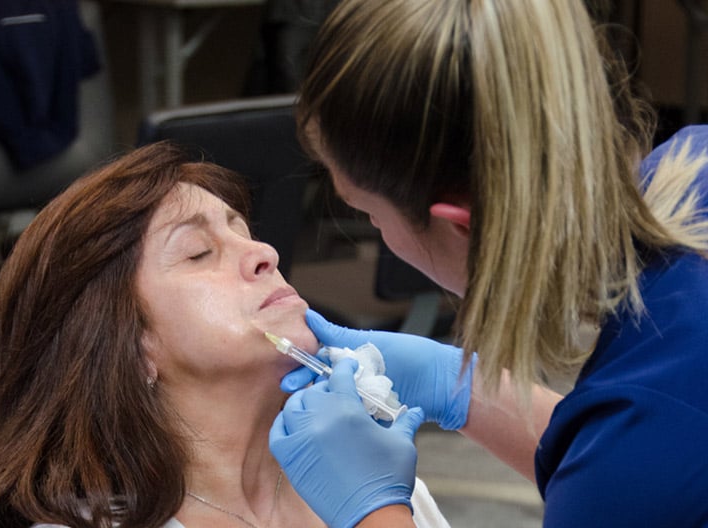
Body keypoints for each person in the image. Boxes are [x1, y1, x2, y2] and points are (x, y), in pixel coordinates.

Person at [268, 1, 708, 527]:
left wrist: (372, 511)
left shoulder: (631, 469)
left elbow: (634, 474)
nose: (263, 255)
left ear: (462, 225)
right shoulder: (696, 162)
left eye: (366, 212)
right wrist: (455, 386)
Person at [0, 141, 450, 528]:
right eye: (198, 252)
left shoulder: (371, 483)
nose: (265, 254)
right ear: (127, 347)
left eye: (243, 231)